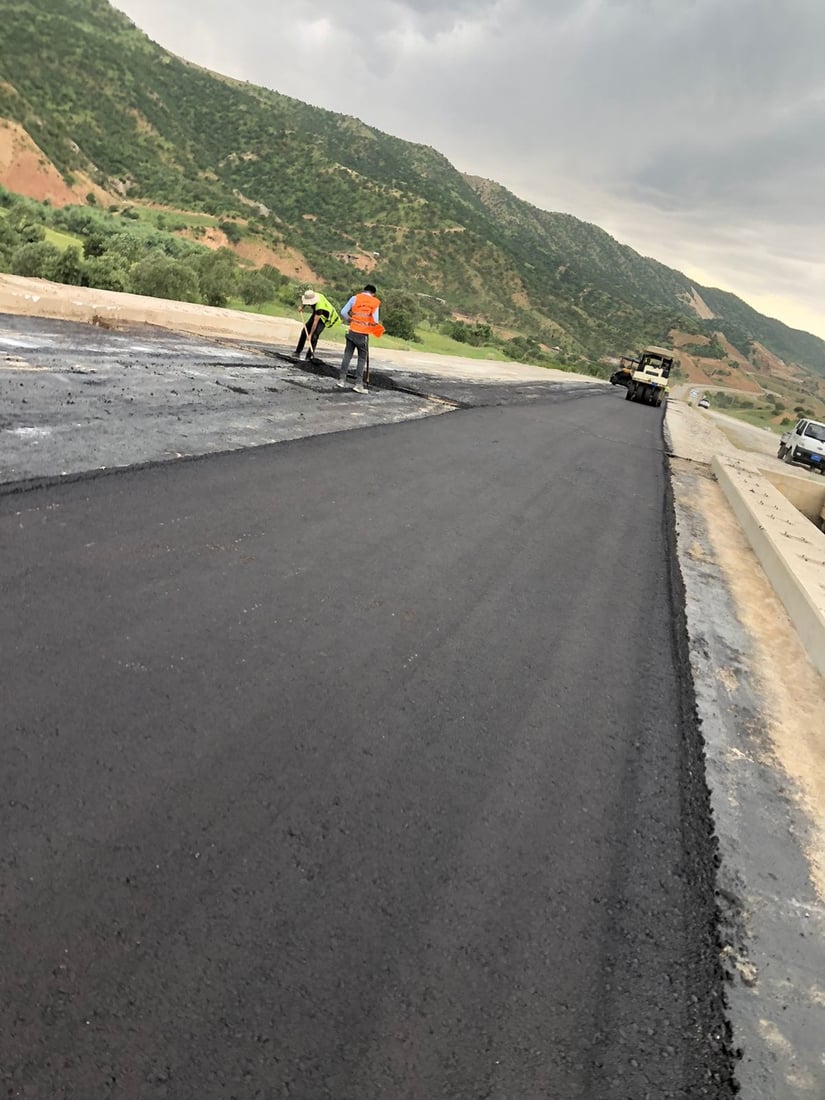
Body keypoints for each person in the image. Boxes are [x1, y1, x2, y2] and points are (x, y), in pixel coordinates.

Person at [337, 284, 384, 394]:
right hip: (363, 334)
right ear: (373, 294)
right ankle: (358, 384)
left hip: (352, 330)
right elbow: (375, 321)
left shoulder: (355, 298)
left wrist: (349, 320)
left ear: (364, 290)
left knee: (347, 355)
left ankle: (341, 380)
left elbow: (343, 312)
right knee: (362, 359)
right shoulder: (375, 302)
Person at [294, 289, 340, 360]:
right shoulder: (311, 295)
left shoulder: (319, 308)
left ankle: (309, 356)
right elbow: (305, 300)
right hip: (316, 314)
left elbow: (315, 322)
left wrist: (310, 334)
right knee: (304, 331)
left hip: (324, 318)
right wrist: (302, 307)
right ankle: (297, 352)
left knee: (314, 336)